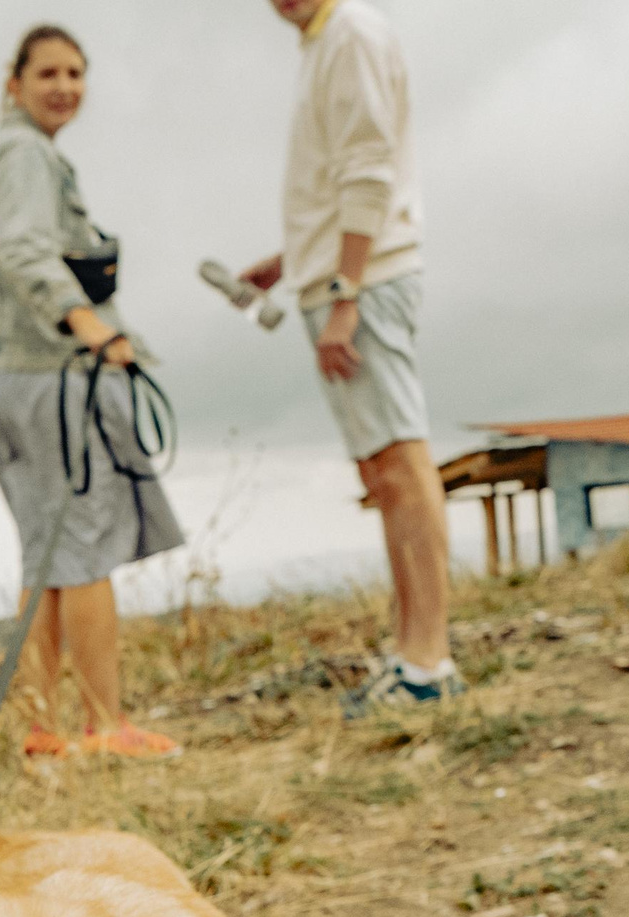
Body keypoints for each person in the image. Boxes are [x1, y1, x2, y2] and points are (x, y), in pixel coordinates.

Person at [0, 24, 183, 760]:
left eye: (75, 73)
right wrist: (90, 326)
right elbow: (25, 250)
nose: (64, 87)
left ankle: (43, 731)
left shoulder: (10, 153)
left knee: (47, 558)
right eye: (48, 73)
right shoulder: (25, 154)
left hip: (3, 378)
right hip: (47, 376)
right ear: (15, 82)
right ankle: (104, 726)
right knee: (84, 550)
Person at [239, 0, 458, 712]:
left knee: (400, 459)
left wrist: (345, 292)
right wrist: (292, 260)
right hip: (341, 278)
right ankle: (411, 653)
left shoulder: (351, 34)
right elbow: (342, 176)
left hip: (367, 281)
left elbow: (369, 170)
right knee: (382, 472)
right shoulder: (321, 42)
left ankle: (429, 660)